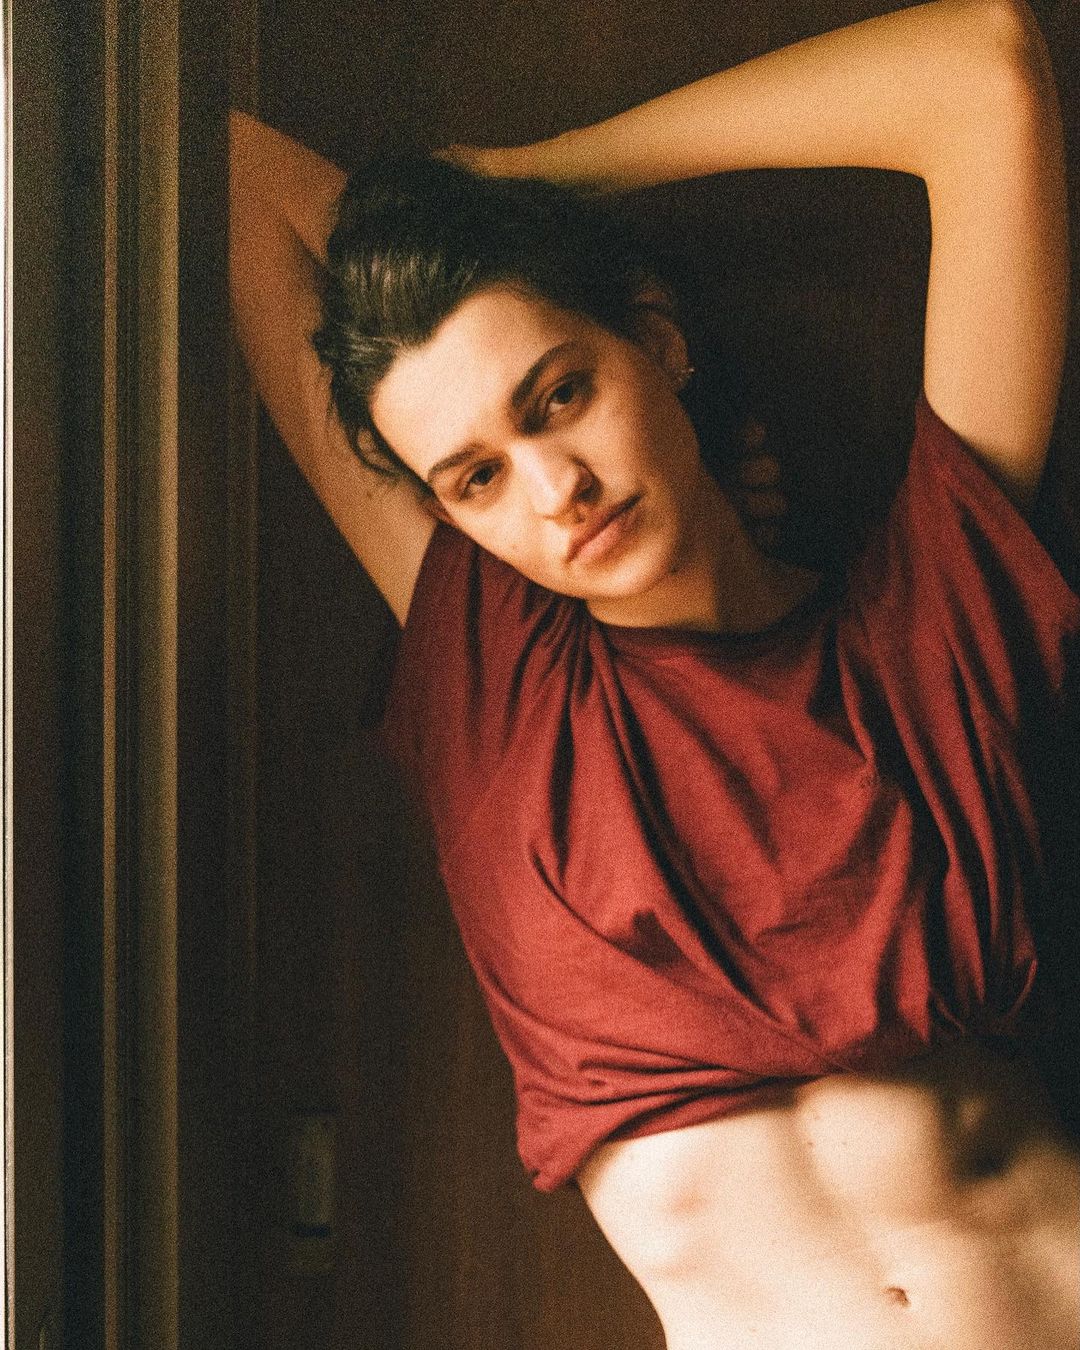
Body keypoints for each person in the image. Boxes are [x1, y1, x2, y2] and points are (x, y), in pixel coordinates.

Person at [229, 0, 1080, 1345]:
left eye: (559, 393)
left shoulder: (929, 619)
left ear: (657, 341)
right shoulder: (489, 677)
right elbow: (225, 165)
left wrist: (531, 182)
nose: (552, 488)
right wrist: (443, 238)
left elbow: (983, 71)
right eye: (474, 476)